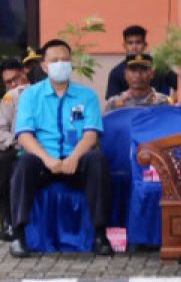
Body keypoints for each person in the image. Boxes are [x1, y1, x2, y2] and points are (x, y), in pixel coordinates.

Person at [9, 39, 114, 258]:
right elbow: (25, 135)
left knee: (97, 160)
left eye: (65, 60)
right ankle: (18, 235)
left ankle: (99, 235)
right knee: (23, 164)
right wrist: (47, 159)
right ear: (44, 66)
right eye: (55, 60)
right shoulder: (30, 95)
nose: (61, 64)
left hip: (76, 161)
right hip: (43, 161)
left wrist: (74, 158)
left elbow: (91, 134)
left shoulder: (87, 96)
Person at [0, 57, 29, 241]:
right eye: (8, 82)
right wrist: (15, 141)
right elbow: (1, 129)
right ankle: (8, 220)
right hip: (16, 146)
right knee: (2, 161)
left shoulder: (39, 92)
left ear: (24, 73)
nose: (13, 84)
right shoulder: (9, 98)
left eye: (16, 79)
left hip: (42, 147)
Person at [105, 25, 176, 99]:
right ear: (124, 45)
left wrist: (171, 105)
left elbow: (179, 85)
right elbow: (112, 102)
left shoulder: (159, 67)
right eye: (130, 43)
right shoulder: (116, 72)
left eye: (138, 42)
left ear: (145, 45)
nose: (134, 47)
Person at [103, 53, 172, 113]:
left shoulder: (163, 102)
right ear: (126, 74)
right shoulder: (114, 104)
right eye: (133, 70)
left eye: (143, 70)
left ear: (152, 74)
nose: (138, 75)